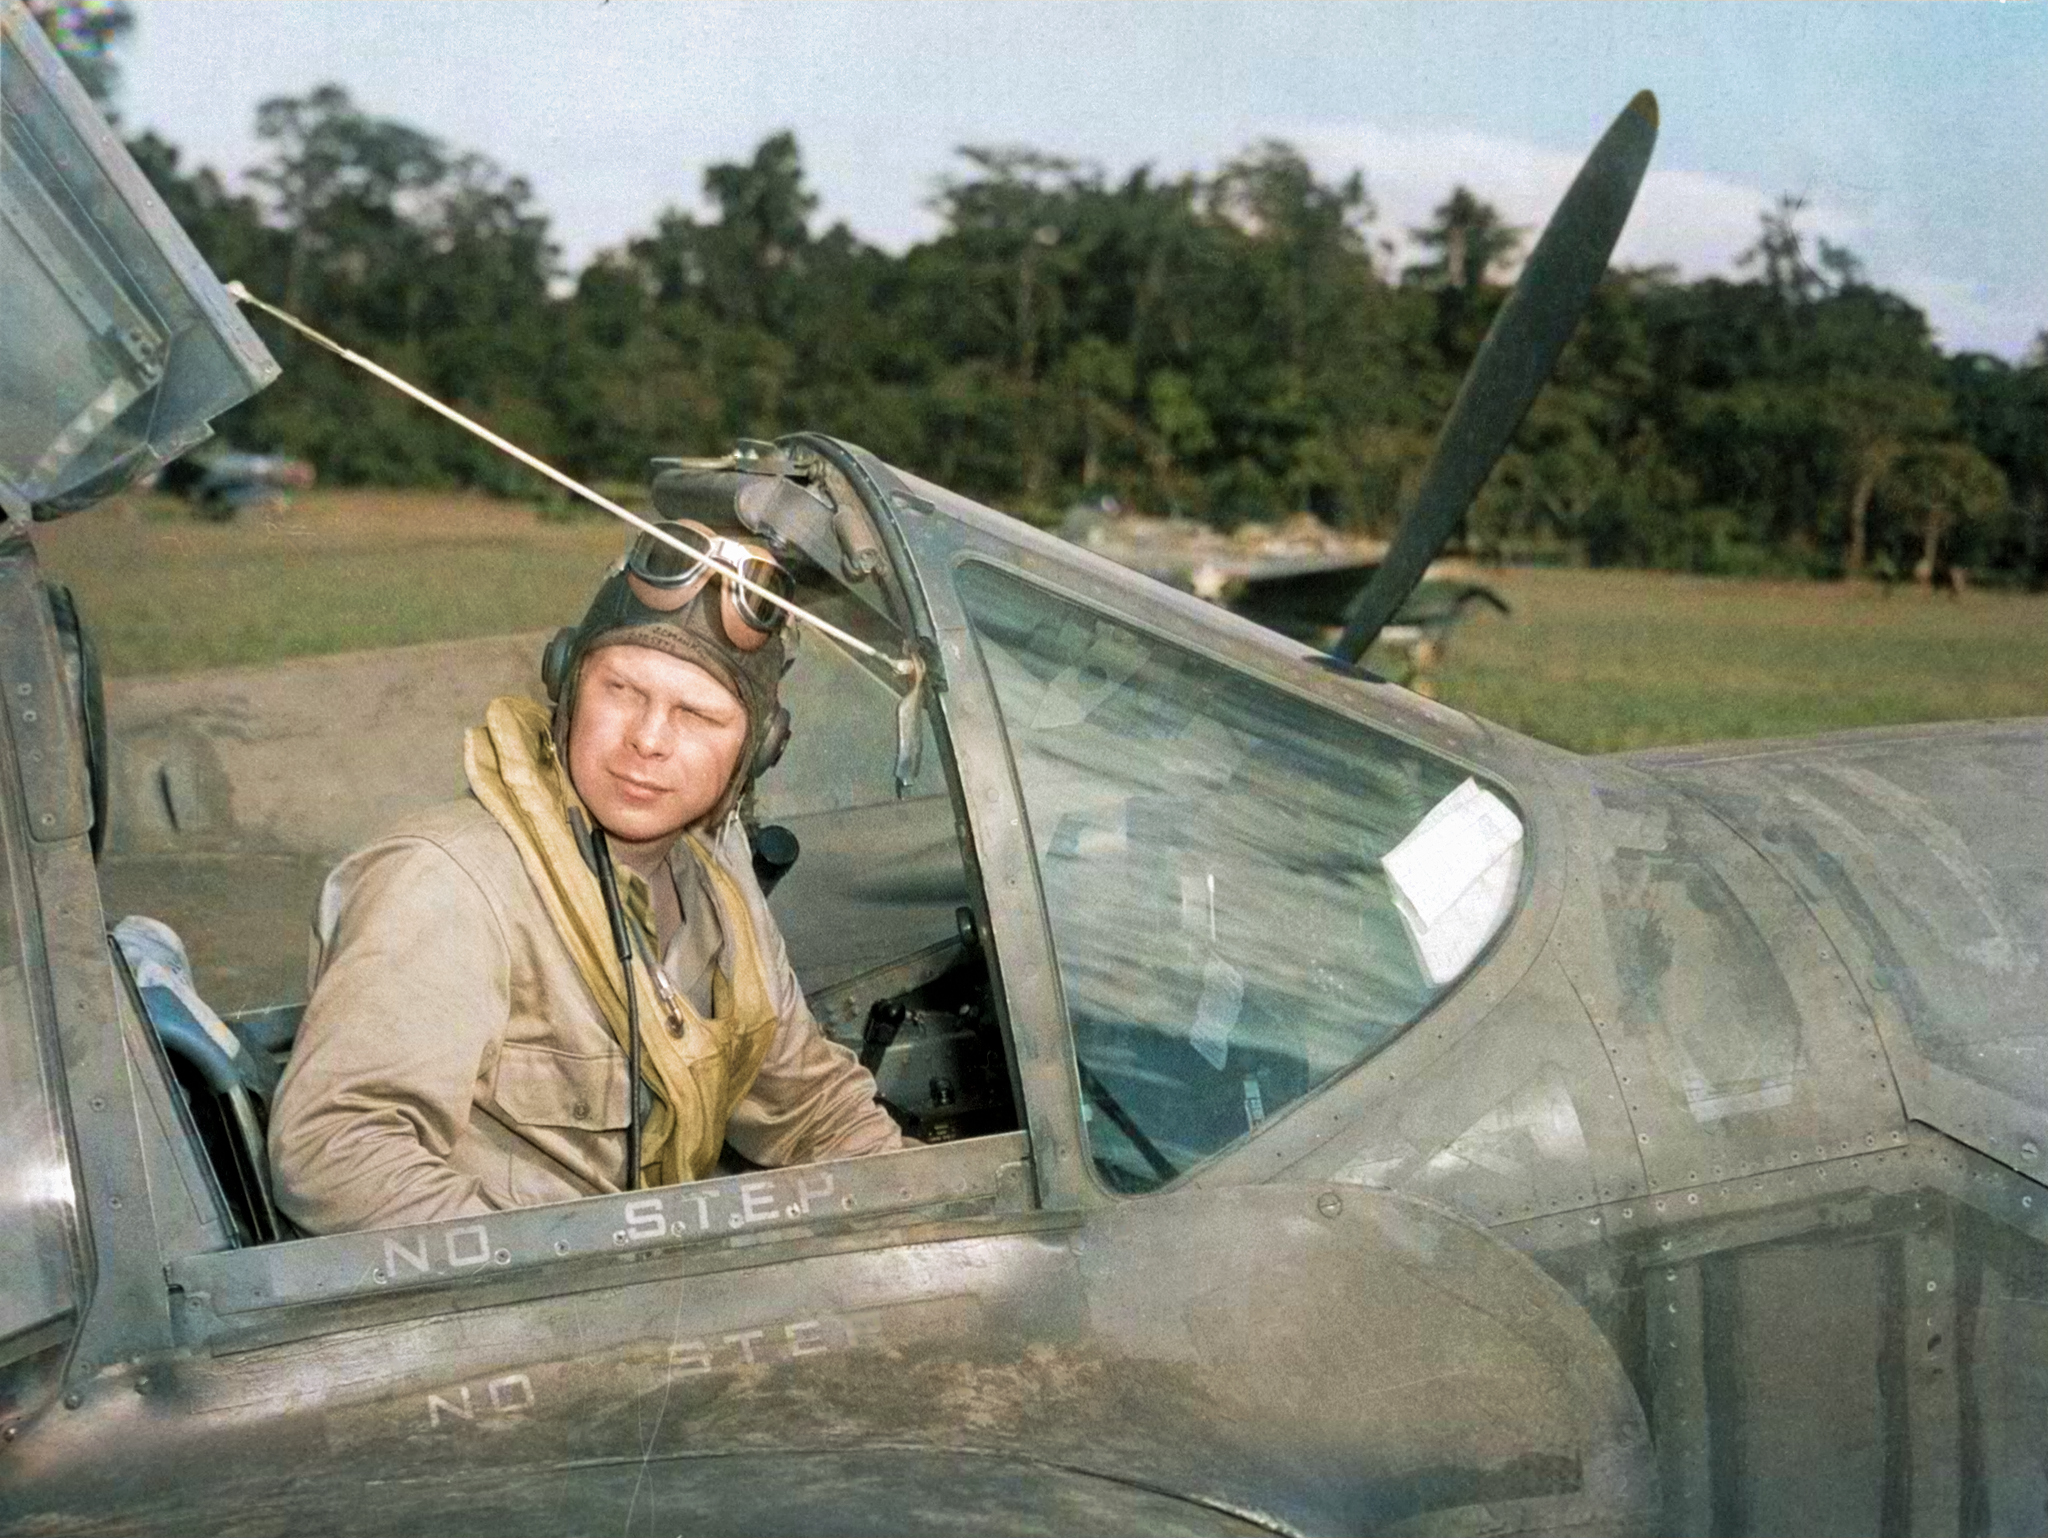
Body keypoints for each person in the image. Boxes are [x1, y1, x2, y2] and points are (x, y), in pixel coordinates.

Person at [269, 521, 906, 1234]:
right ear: (568, 688)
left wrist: (934, 1220)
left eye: (696, 714)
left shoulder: (714, 886)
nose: (649, 739)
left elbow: (811, 1108)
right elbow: (335, 1153)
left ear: (756, 751)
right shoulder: (447, 882)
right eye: (623, 690)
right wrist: (562, 1279)